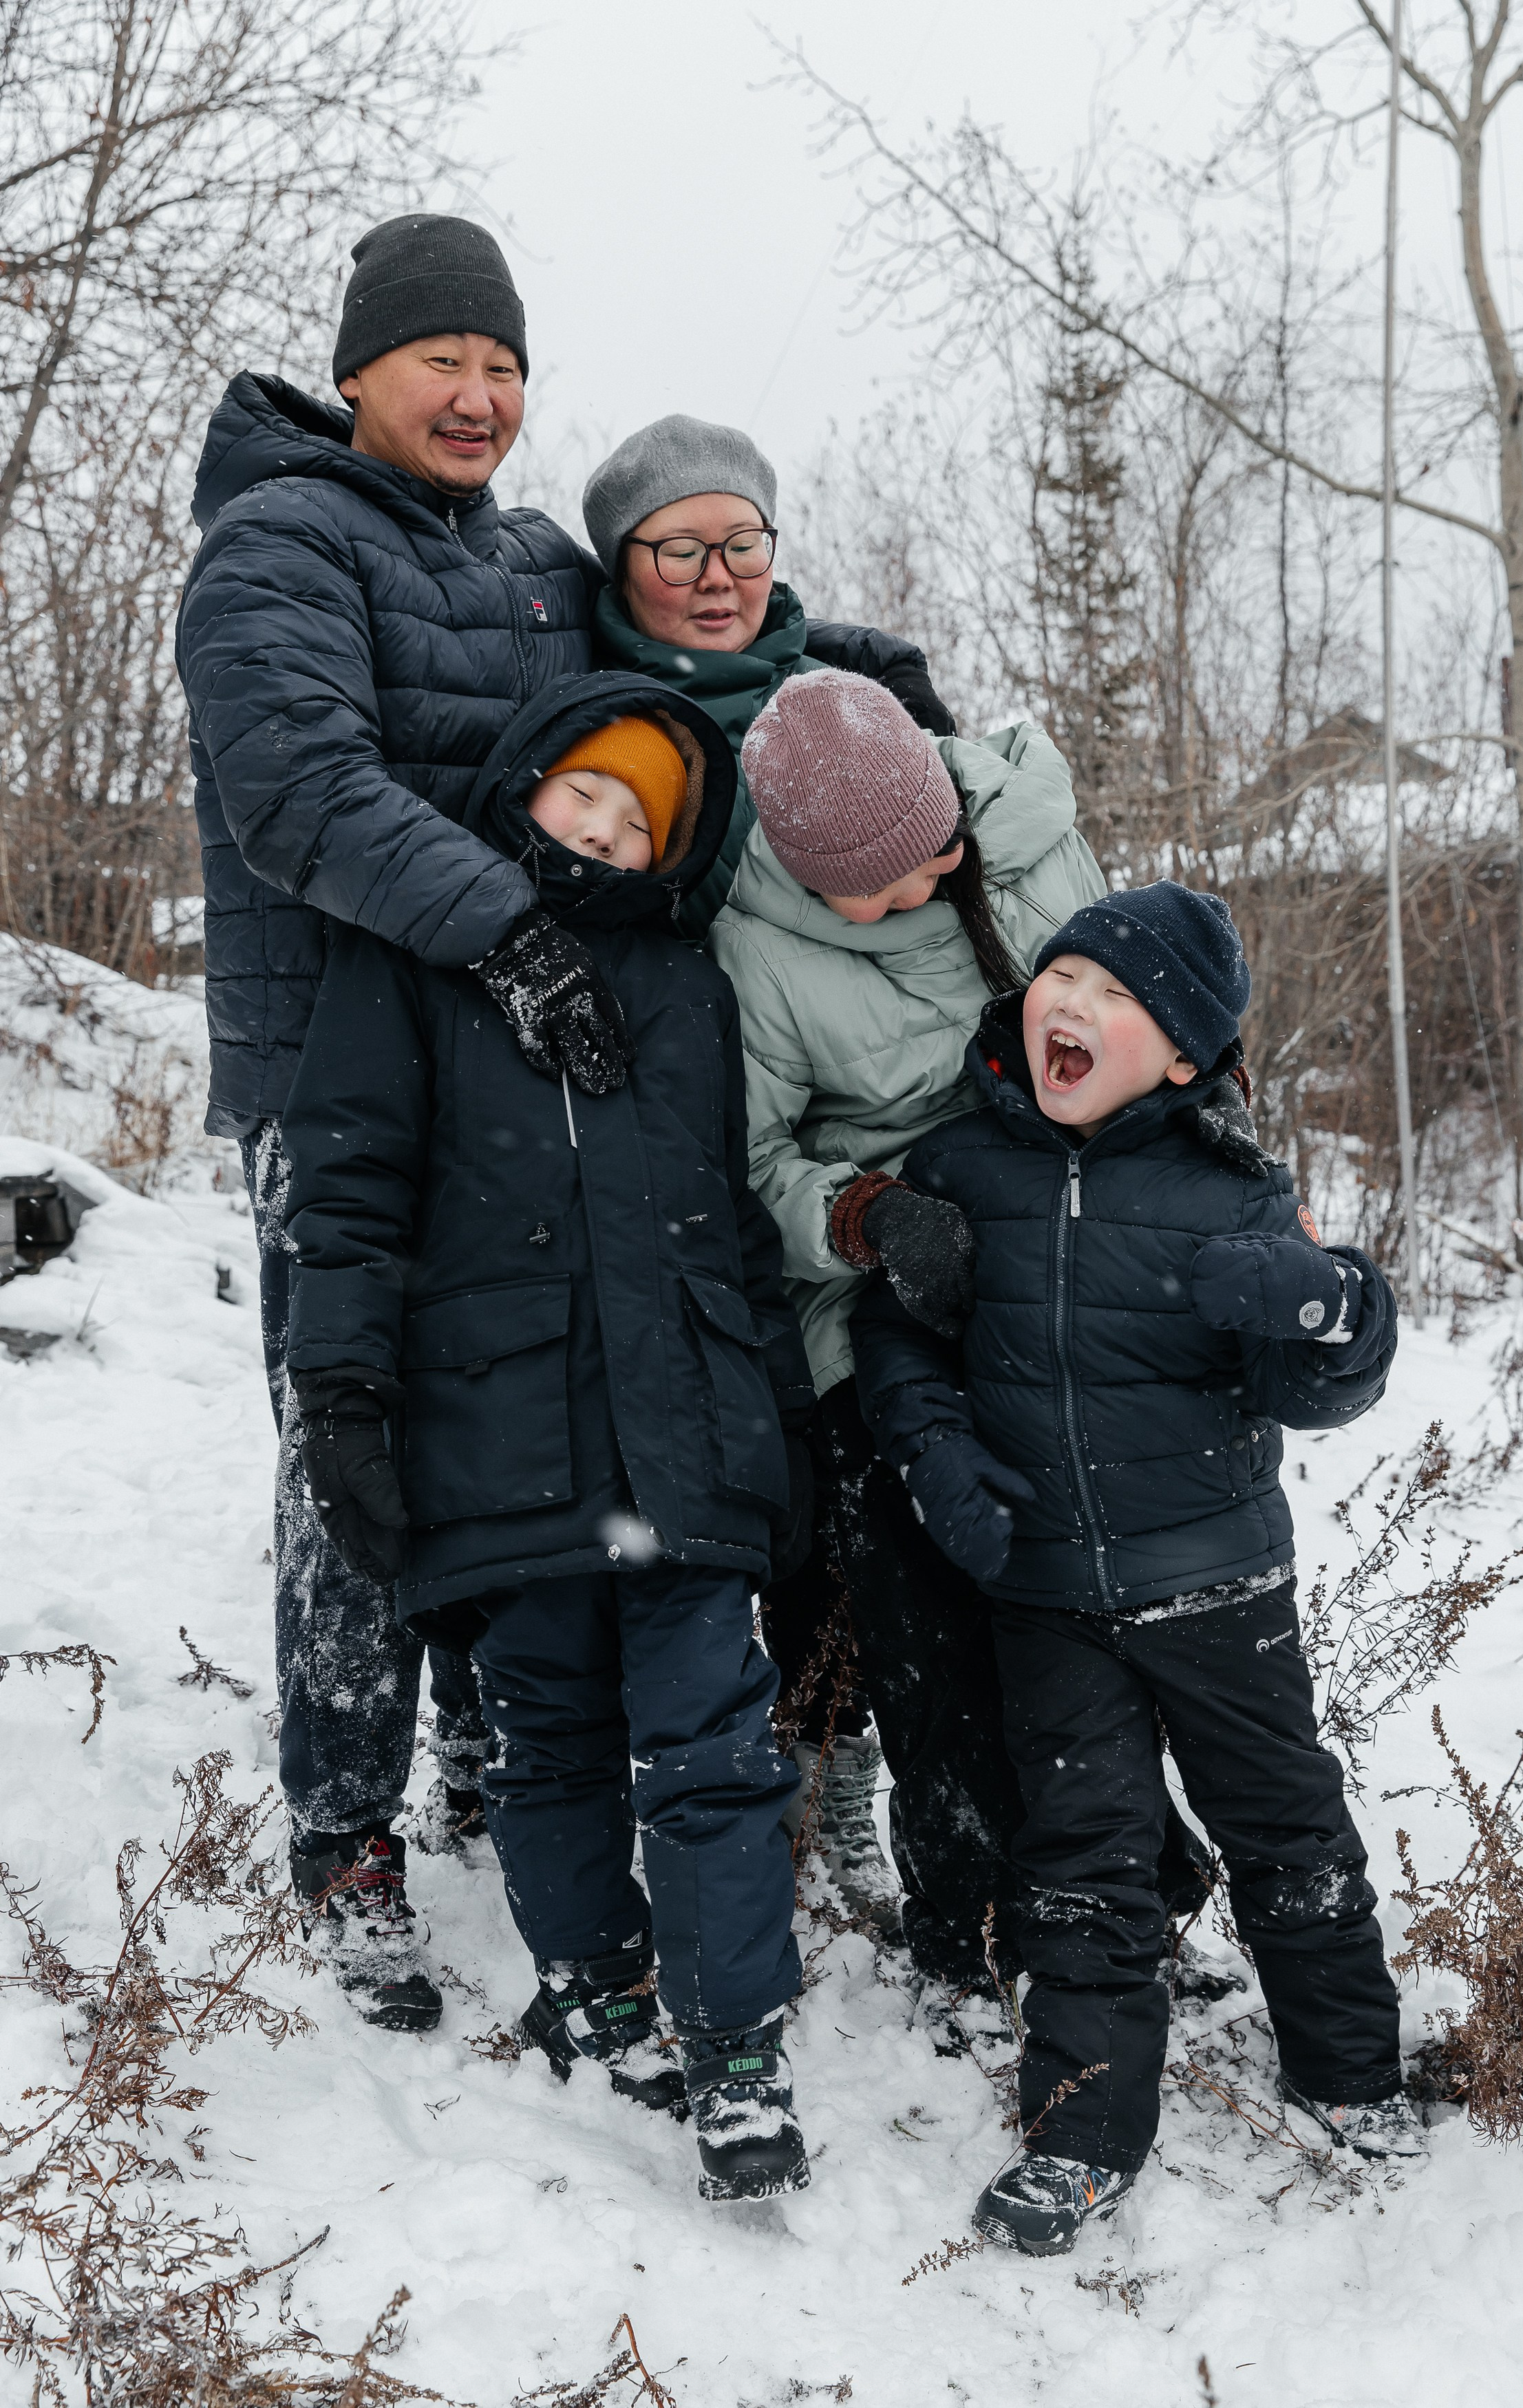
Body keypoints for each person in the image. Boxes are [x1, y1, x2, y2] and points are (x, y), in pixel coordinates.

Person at [176, 214, 629, 2031]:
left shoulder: (532, 558)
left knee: (501, 1432)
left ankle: (472, 1756)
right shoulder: (276, 539)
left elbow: (670, 677)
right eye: (443, 356)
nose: (479, 392)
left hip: (508, 1082)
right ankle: (345, 1827)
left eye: (505, 363)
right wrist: (512, 928)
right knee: (349, 1452)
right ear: (357, 368)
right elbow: (297, 789)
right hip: (334, 1085)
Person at [280, 672, 815, 2204]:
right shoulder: (418, 958)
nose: (598, 826)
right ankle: (589, 1974)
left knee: (711, 1751)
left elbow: (726, 1226)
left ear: (671, 850)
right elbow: (351, 1197)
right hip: (499, 1431)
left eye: (636, 816)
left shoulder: (690, 990)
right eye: (581, 790)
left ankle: (733, 2047)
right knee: (547, 1741)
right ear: (524, 783)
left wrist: (773, 1429)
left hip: (681, 1446)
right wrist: (345, 1394)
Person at [852, 881, 1421, 2259]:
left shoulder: (1228, 1191)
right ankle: (1082, 2127)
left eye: (1118, 999)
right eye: (1063, 974)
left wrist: (1336, 1310)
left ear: (1178, 1056)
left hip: (1214, 1583)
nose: (1074, 1005)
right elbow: (899, 1340)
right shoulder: (958, 1169)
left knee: (1286, 1831)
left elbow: (1310, 1382)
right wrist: (932, 1452)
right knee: (1079, 1863)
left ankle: (1349, 2076)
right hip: (1043, 1590)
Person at [710, 665, 1130, 1978]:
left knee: (1101, 1616)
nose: (910, 895)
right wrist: (863, 1214)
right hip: (880, 1307)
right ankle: (962, 1923)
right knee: (931, 1632)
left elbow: (1143, 1013)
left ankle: (1114, 1898)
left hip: (1069, 1265)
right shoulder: (754, 939)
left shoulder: (1031, 835)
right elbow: (750, 1157)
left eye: (931, 859)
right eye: (872, 890)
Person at [585, 413, 956, 940]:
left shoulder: (857, 707)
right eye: (682, 554)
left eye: (742, 547)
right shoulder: (585, 726)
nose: (717, 578)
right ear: (622, 573)